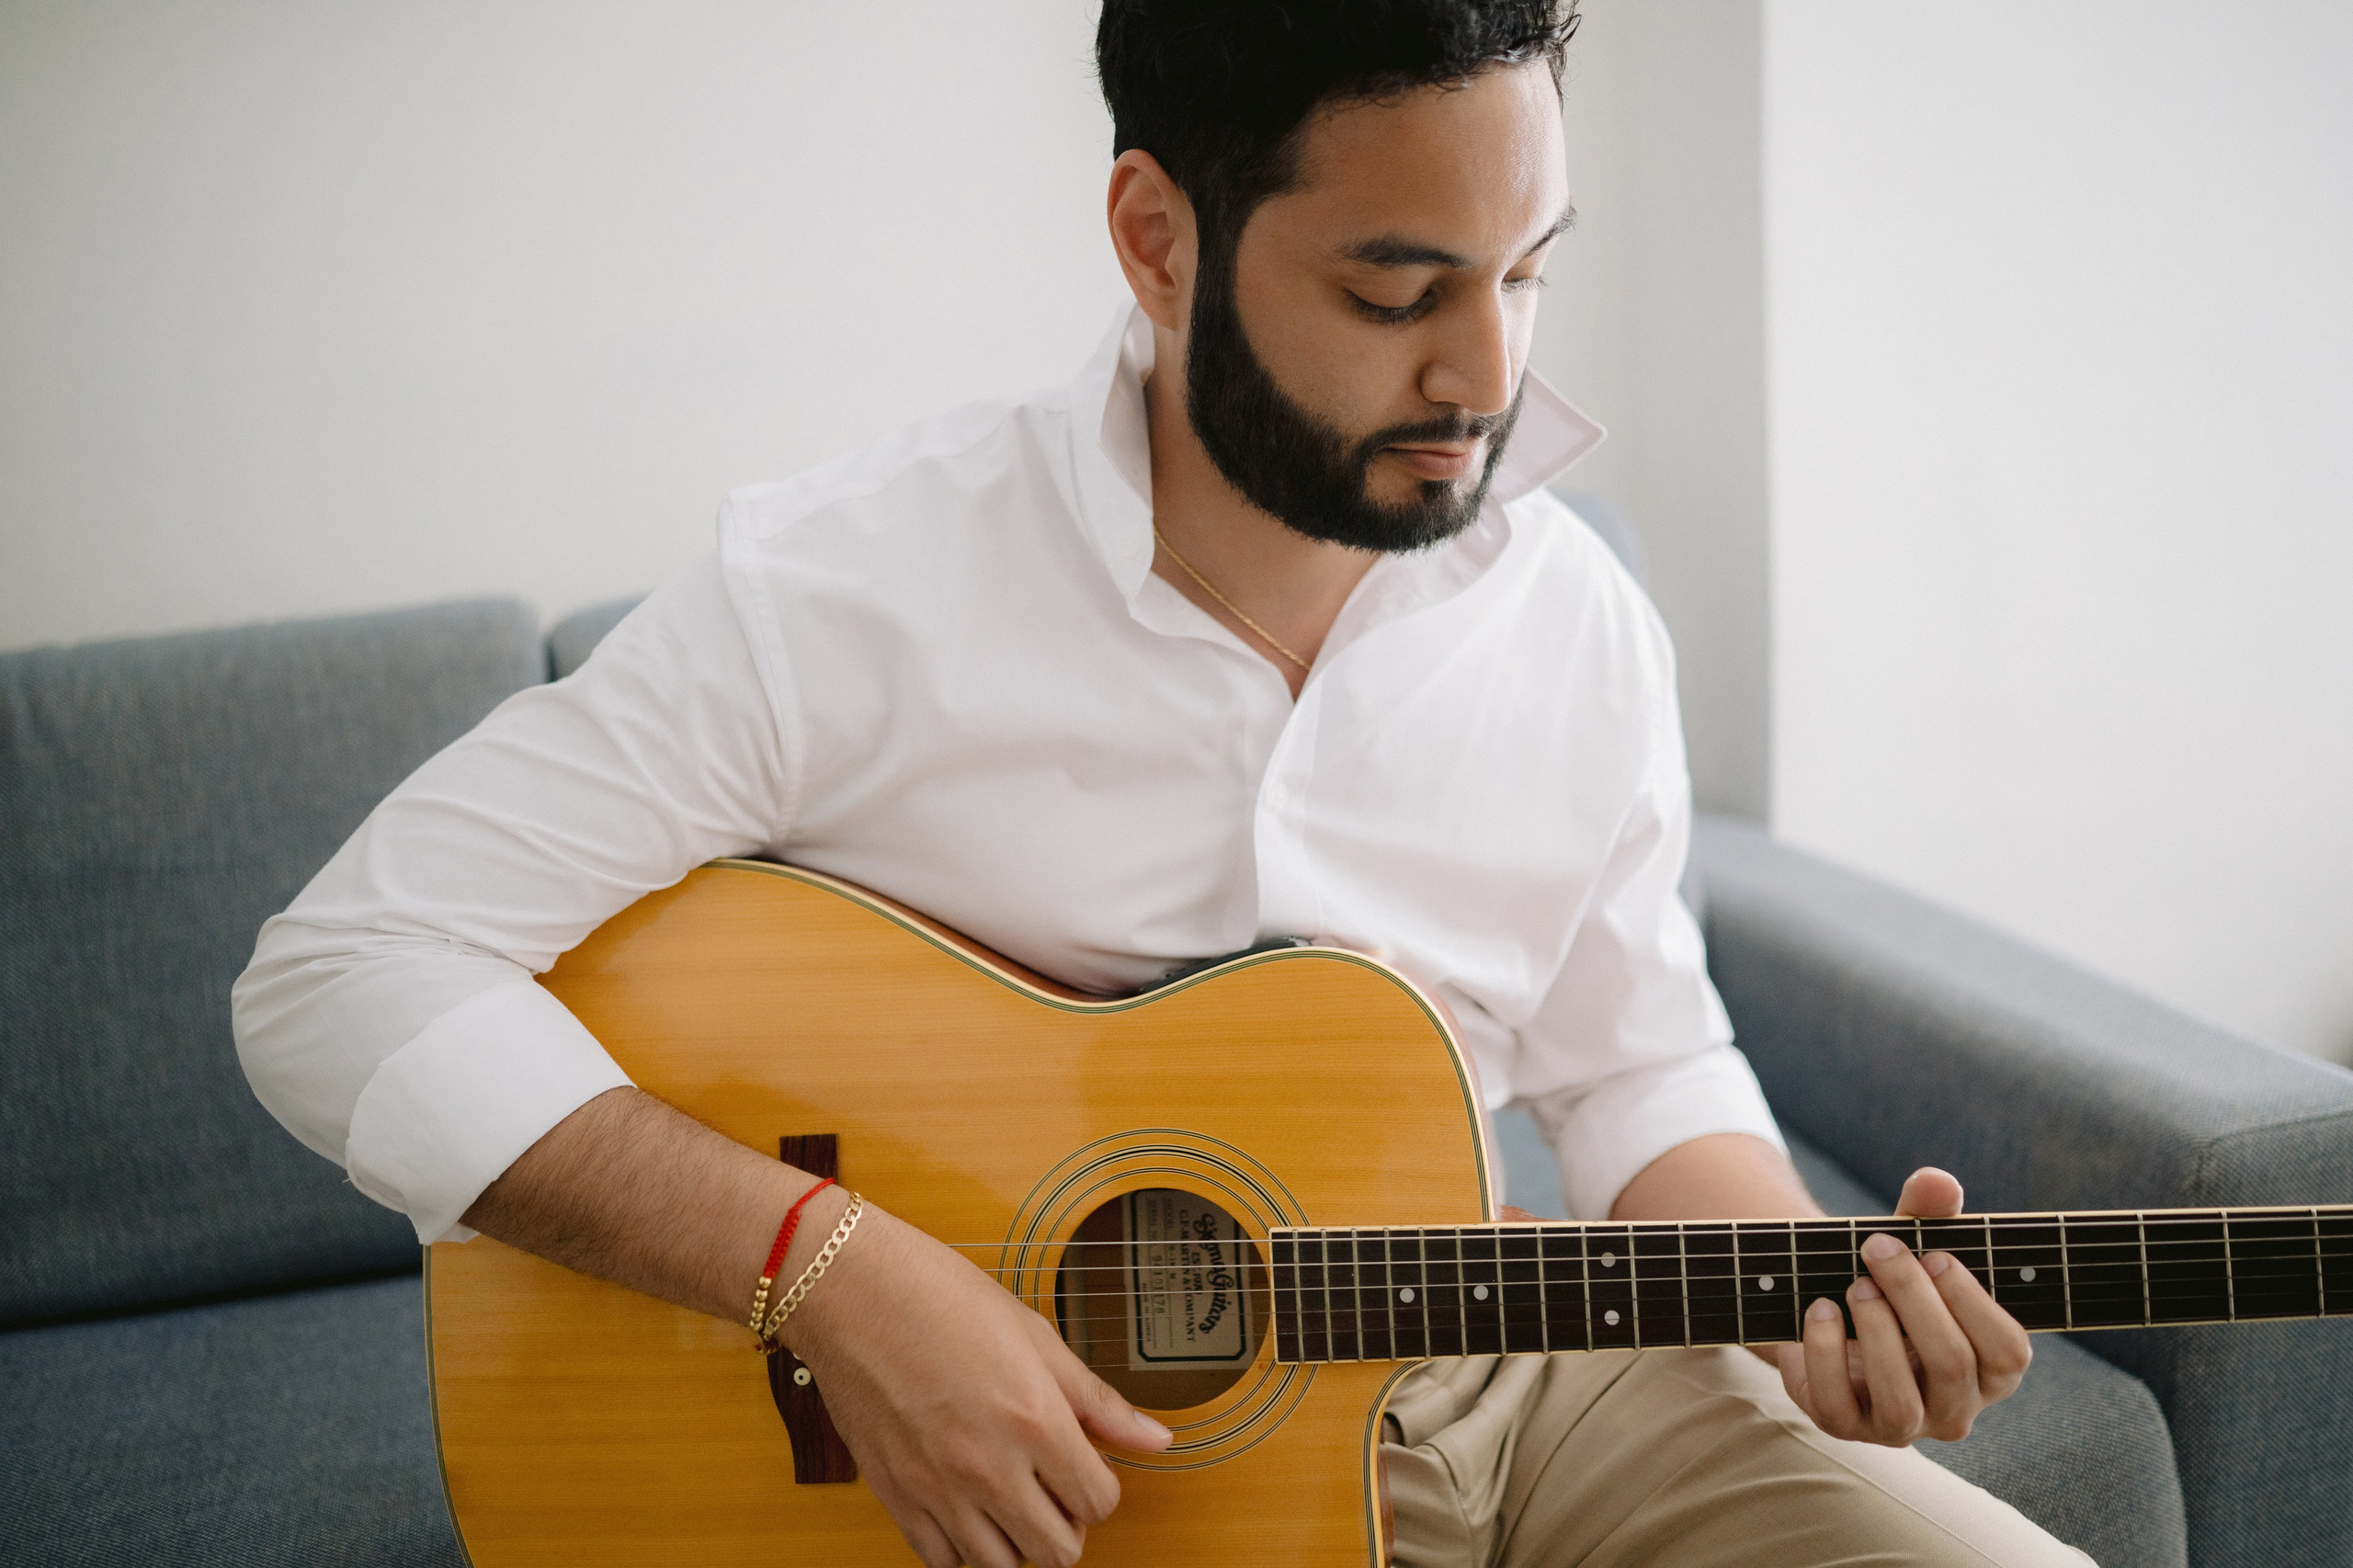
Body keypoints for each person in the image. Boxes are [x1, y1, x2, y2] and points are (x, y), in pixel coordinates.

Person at [233, 4, 2086, 1564]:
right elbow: (339, 974)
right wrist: (834, 1274)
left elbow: (1631, 1062)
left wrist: (1808, 1294)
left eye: (1526, 271)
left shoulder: (1575, 621)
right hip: (1072, 1487)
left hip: (1516, 1372)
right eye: (1396, 288)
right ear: (1155, 237)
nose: (1487, 371)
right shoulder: (844, 590)